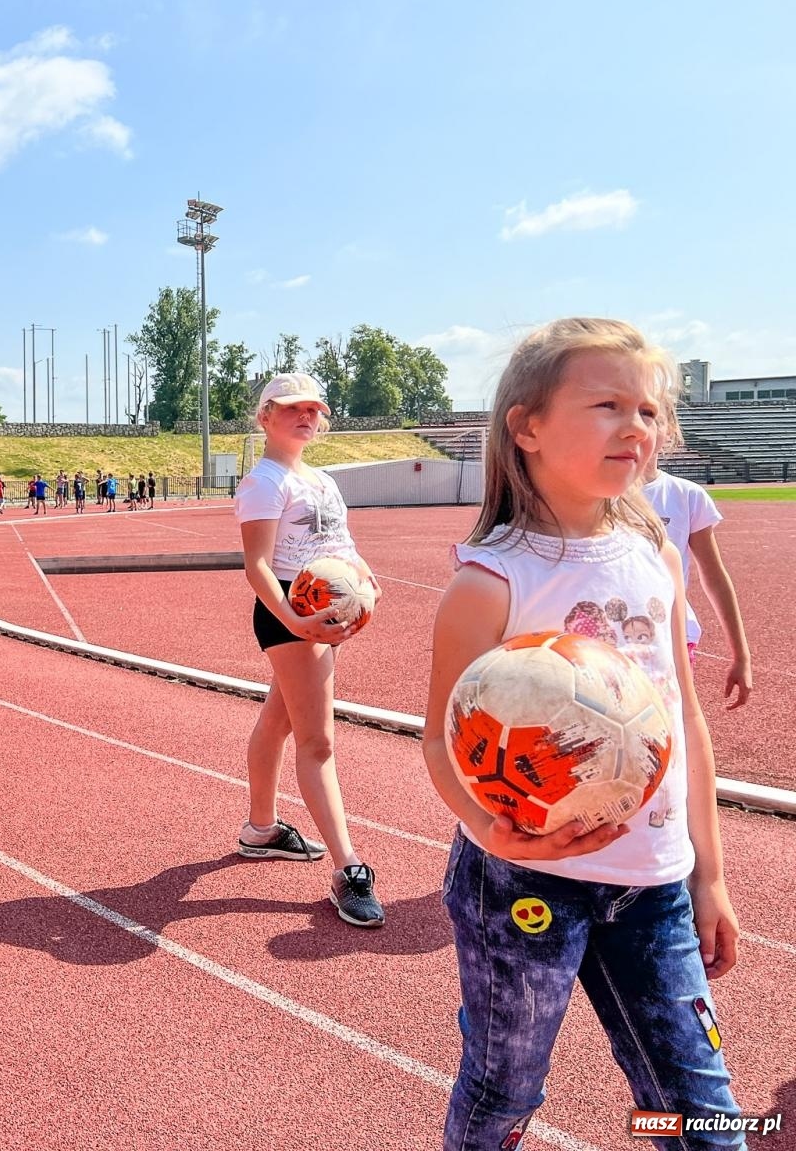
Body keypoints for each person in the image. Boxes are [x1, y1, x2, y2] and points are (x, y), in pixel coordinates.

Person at [421, 318, 739, 1149]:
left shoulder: (656, 557)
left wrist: (709, 874)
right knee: (504, 1092)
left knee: (703, 1115)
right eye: (607, 405)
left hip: (656, 885)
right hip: (523, 883)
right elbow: (440, 740)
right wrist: (492, 824)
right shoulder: (491, 581)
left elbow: (686, 719)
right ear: (526, 426)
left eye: (648, 410)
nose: (637, 426)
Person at [234, 373, 385, 928]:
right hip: (293, 614)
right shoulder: (265, 482)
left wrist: (366, 582)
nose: (306, 417)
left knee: (280, 722)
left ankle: (261, 829)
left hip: (322, 614)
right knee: (318, 741)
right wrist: (297, 622)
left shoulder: (322, 481)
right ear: (266, 416)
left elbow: (341, 546)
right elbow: (258, 566)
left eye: (314, 410)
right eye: (292, 408)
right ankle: (349, 868)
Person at [643, 439, 752, 708]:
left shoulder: (686, 495)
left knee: (673, 726)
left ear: (669, 433)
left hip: (674, 637)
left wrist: (741, 655)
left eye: (651, 416)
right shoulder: (594, 494)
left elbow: (714, 576)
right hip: (611, 635)